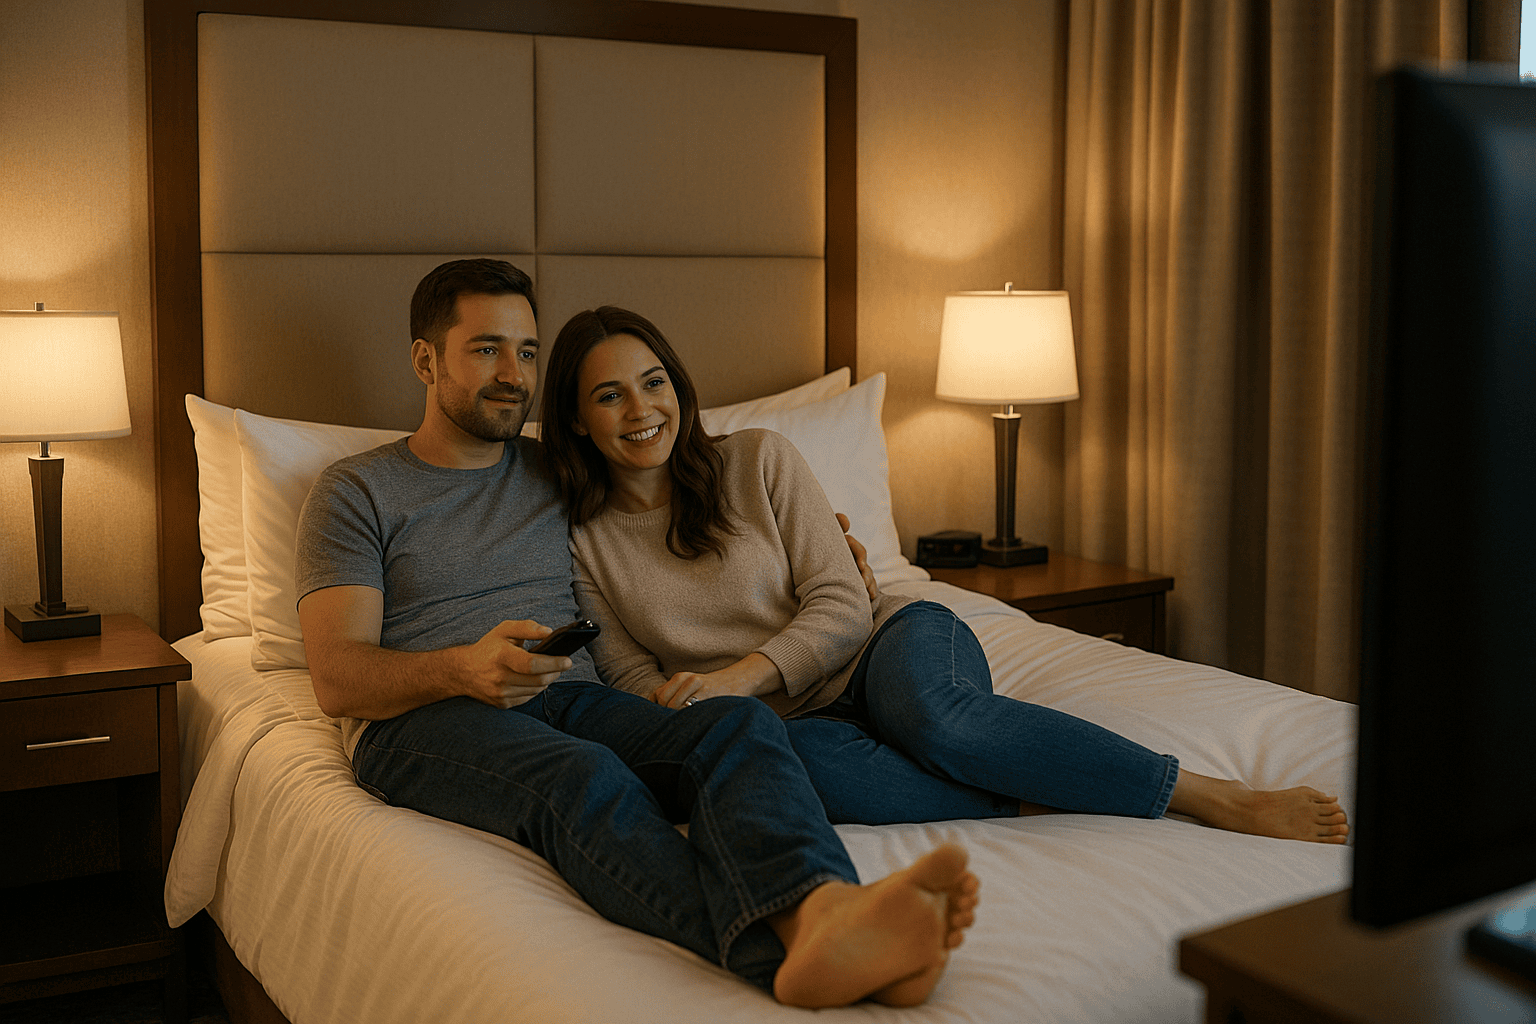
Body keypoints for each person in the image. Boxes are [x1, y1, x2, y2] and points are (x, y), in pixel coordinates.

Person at [294, 259, 981, 1009]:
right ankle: (780, 954)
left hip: (572, 693)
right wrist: (461, 669)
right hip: (427, 718)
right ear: (426, 360)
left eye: (527, 351)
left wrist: (834, 552)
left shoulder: (560, 468)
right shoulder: (356, 491)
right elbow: (337, 677)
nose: (513, 374)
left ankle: (827, 913)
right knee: (583, 777)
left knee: (736, 723)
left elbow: (667, 485)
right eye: (486, 349)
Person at [541, 305, 1352, 844]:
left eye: (654, 382)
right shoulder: (582, 540)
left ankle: (1209, 796)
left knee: (936, 719)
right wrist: (704, 705)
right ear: (575, 419)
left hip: (883, 644)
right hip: (787, 722)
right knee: (804, 771)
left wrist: (741, 678)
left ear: (677, 386)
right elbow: (631, 676)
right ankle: (1028, 792)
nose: (642, 410)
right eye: (610, 396)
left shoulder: (756, 459)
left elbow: (843, 604)